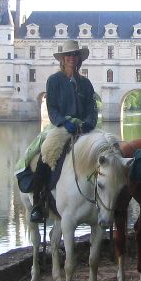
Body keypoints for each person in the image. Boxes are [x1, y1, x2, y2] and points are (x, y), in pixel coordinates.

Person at [29, 39, 97, 222]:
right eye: (68, 55)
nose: (71, 58)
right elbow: (52, 109)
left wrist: (89, 123)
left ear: (79, 59)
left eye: (74, 55)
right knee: (47, 154)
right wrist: (63, 122)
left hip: (83, 127)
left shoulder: (86, 83)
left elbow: (92, 108)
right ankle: (38, 203)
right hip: (62, 127)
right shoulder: (54, 81)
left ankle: (102, 198)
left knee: (104, 149)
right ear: (63, 59)